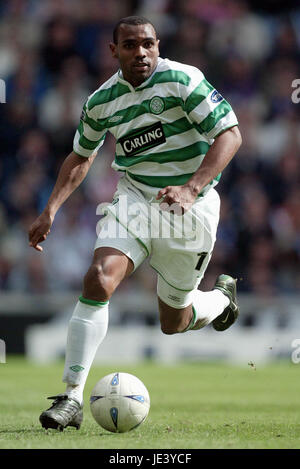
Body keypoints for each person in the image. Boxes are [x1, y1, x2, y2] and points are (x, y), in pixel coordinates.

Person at [28, 16, 242, 431]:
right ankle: (71, 396)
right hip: (136, 197)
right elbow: (82, 155)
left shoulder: (183, 79)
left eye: (148, 44)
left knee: (173, 321)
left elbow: (230, 134)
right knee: (98, 278)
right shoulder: (101, 101)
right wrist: (50, 208)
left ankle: (220, 300)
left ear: (158, 45)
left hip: (189, 209)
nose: (141, 53)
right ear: (114, 51)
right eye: (130, 45)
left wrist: (191, 187)